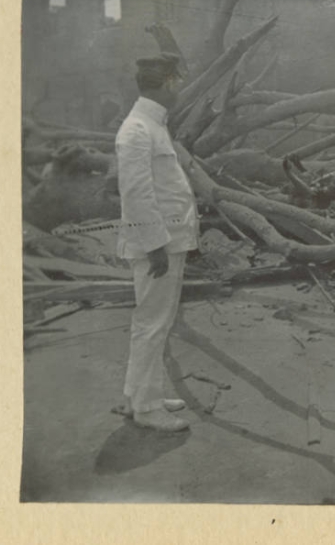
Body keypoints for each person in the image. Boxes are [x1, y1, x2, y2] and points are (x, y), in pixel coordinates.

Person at [115, 52, 199, 432]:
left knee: (153, 323)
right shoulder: (137, 130)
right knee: (152, 324)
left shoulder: (152, 124)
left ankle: (138, 395)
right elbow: (136, 193)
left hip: (168, 240)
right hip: (158, 244)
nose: (180, 88)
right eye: (177, 81)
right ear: (166, 82)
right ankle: (148, 409)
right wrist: (154, 246)